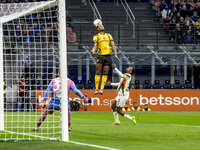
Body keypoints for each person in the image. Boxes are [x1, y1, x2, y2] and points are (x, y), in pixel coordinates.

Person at [91, 22, 119, 95]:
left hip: (108, 56)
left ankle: (102, 89)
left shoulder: (109, 35)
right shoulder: (96, 36)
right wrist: (93, 51)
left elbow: (113, 45)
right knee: (98, 72)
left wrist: (115, 54)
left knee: (105, 72)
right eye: (100, 26)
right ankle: (96, 89)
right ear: (98, 28)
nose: (102, 26)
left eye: (102, 25)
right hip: (101, 56)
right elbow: (95, 46)